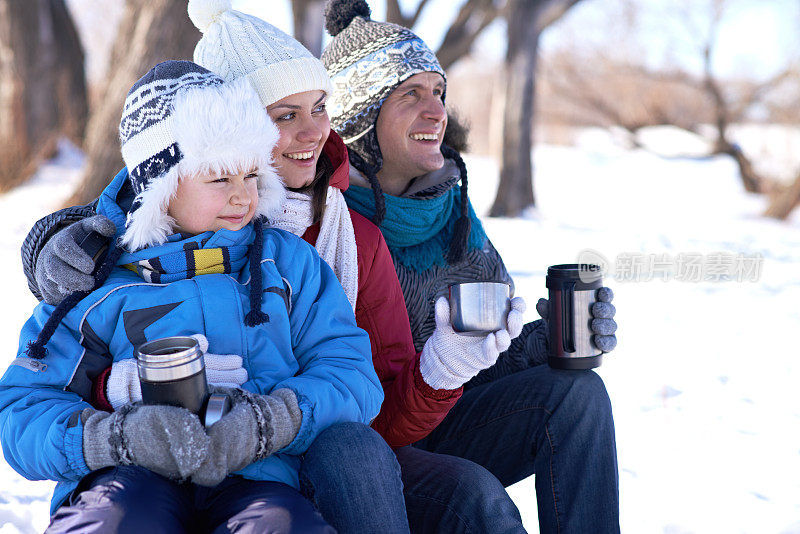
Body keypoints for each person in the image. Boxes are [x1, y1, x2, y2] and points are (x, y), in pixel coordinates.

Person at [18, 2, 532, 531]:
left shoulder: (314, 252)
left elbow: (357, 383)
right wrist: (115, 415)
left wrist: (445, 368)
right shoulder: (101, 262)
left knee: (462, 489)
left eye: (319, 108)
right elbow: (32, 395)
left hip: (285, 465)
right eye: (285, 116)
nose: (242, 195)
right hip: (134, 478)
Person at [0, 60, 384, 533]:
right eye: (221, 179)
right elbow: (27, 404)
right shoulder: (98, 279)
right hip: (126, 478)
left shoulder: (286, 265)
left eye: (250, 174)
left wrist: (271, 420)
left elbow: (350, 373)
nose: (243, 195)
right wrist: (114, 438)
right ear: (160, 187)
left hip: (259, 478)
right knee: (115, 521)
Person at [316, 0, 621, 532]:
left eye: (438, 92)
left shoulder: (451, 211)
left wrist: (543, 341)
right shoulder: (327, 225)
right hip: (366, 447)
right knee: (474, 495)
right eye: (410, 94)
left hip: (448, 419)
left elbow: (477, 359)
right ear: (359, 118)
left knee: (578, 394)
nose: (436, 111)